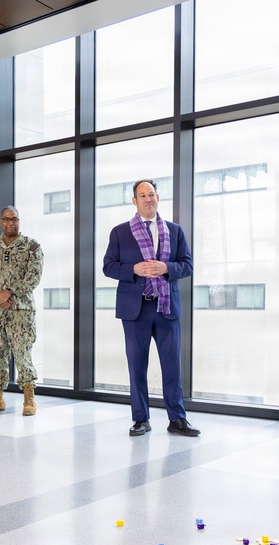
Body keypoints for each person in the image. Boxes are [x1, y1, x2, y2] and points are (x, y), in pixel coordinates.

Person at [103, 178, 200, 437]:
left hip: (167, 309)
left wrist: (166, 268)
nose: (149, 199)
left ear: (158, 198)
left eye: (152, 194)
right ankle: (141, 419)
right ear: (135, 201)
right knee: (137, 366)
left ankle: (177, 419)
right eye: (143, 195)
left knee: (172, 366)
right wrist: (133, 269)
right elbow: (108, 267)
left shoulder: (174, 230)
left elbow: (188, 266)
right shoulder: (120, 232)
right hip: (135, 310)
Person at [0, 206, 44, 416]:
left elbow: (33, 277)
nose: (11, 223)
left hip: (21, 312)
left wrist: (10, 293)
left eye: (14, 219)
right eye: (6, 219)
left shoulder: (32, 247)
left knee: (22, 354)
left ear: (19, 220)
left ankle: (29, 398)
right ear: (0, 221)